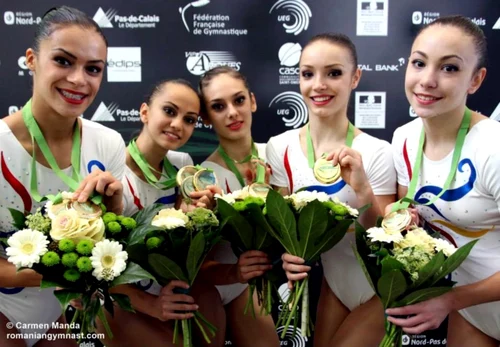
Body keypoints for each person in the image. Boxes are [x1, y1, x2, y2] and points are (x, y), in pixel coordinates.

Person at [0, 6, 125, 346]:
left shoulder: (109, 143)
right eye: (63, 61)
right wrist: (59, 271)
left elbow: (112, 247)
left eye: (93, 69)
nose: (78, 80)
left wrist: (115, 206)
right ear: (31, 59)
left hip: (55, 315)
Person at [266, 33, 397, 346]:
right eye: (308, 74)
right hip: (332, 286)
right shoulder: (279, 147)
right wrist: (286, 253)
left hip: (380, 288)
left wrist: (363, 188)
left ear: (355, 78)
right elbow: (283, 229)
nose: (319, 85)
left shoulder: (377, 151)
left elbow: (382, 243)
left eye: (334, 73)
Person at [386, 15, 499, 346]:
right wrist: (398, 218)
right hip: (473, 311)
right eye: (419, 63)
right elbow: (409, 215)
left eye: (449, 68)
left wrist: (450, 301)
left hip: (460, 301)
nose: (427, 80)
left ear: (475, 80)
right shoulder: (404, 139)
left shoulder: (493, 148)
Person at [103, 79, 225, 347]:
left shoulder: (182, 164)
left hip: (167, 283)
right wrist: (151, 304)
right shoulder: (113, 175)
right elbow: (99, 265)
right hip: (117, 293)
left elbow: (184, 240)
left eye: (189, 119)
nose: (178, 125)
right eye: (169, 111)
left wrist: (203, 214)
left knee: (212, 327)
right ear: (145, 112)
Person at [196, 66, 280, 347]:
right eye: (218, 106)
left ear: (252, 101)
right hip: (211, 287)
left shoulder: (277, 154)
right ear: (206, 117)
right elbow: (195, 264)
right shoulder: (203, 177)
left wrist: (271, 195)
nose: (232, 112)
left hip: (253, 285)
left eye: (239, 100)